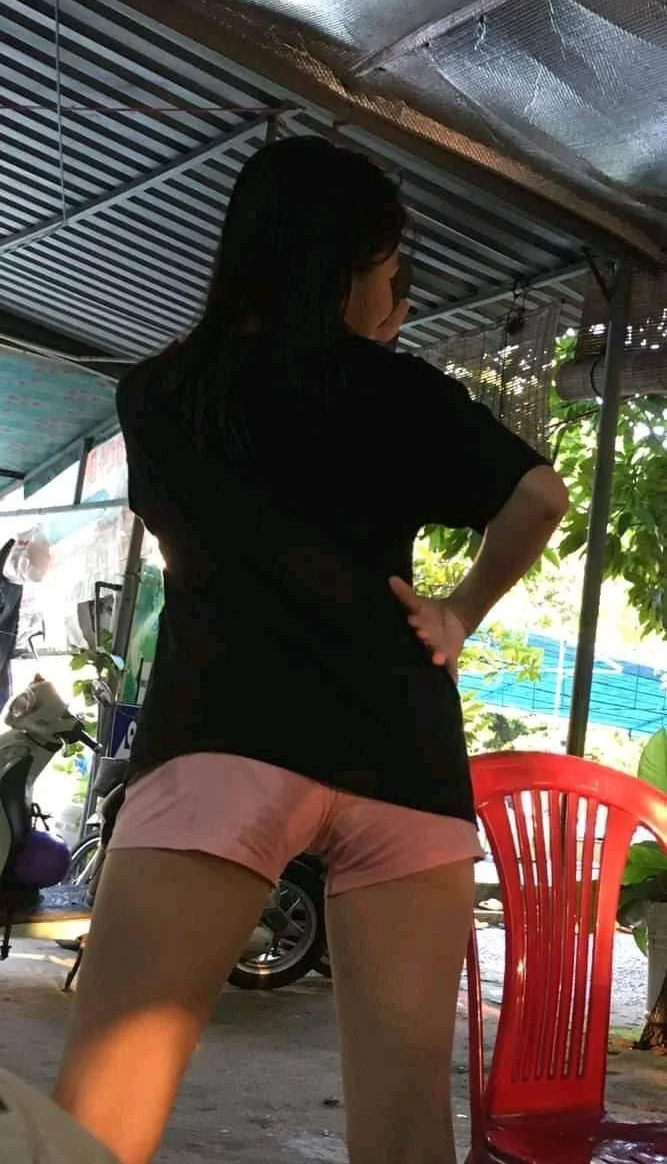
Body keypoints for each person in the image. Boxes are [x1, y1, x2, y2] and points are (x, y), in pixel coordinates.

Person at [53, 136, 568, 1164]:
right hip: (401, 750)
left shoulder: (160, 393)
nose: (399, 289)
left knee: (94, 1128)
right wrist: (459, 612)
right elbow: (539, 495)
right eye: (393, 264)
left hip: (225, 732)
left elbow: (191, 526)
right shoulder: (399, 390)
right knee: (405, 1128)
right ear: (350, 262)